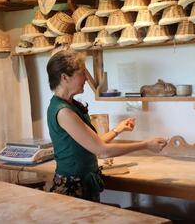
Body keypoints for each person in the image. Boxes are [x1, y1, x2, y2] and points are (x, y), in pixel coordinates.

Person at [46, 50, 168, 202]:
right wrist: (146, 144)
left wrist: (118, 129)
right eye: (82, 73)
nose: (85, 78)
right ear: (65, 77)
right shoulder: (63, 112)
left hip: (81, 183)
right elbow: (102, 151)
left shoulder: (70, 105)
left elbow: (93, 143)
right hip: (72, 189)